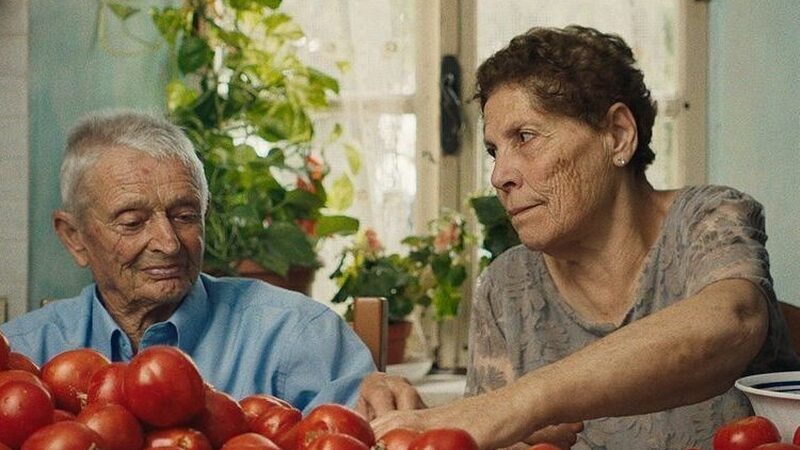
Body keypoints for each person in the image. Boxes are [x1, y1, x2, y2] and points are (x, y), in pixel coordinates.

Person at [367, 25, 800, 449]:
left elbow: (733, 320)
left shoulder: (708, 218)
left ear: (617, 135)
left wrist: (523, 404)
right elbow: (489, 427)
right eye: (494, 151)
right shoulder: (506, 286)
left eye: (525, 137)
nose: (500, 176)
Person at [0, 110, 376, 413]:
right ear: (74, 237)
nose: (168, 243)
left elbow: (365, 433)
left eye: (185, 216)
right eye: (133, 222)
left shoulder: (296, 334)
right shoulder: (21, 352)